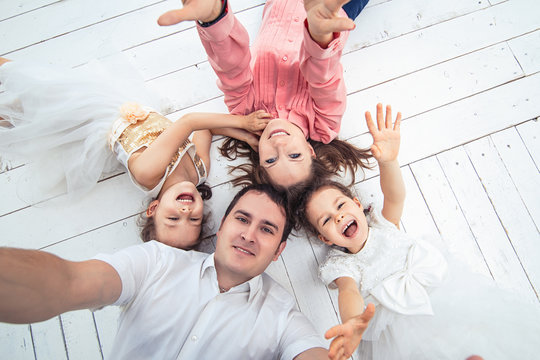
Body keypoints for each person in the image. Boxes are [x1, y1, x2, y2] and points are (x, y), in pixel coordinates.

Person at [296, 104, 540, 359]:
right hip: (401, 331)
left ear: (357, 205)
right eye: (327, 220)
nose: (339, 217)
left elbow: (394, 196)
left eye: (341, 205)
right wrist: (354, 321)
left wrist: (389, 162)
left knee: (484, 340)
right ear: (324, 238)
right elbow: (349, 292)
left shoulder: (383, 225)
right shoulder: (343, 264)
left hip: (446, 300)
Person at [0, 184, 341, 359]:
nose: (249, 235)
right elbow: (69, 282)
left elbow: (309, 353)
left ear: (279, 250)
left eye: (267, 230)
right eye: (242, 219)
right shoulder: (157, 262)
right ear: (221, 227)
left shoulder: (283, 316)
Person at [0, 57, 271, 249]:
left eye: (174, 217)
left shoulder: (148, 175)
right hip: (133, 105)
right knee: (34, 97)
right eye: (193, 217)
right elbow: (206, 131)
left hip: (101, 116)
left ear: (154, 208)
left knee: (37, 101)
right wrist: (245, 136)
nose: (185, 209)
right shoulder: (200, 171)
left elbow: (189, 122)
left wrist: (244, 122)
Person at [158, 0, 372, 189]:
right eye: (294, 155)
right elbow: (324, 77)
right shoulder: (323, 126)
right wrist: (319, 34)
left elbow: (231, 67)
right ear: (310, 151)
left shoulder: (245, 111)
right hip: (333, 12)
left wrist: (213, 20)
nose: (279, 146)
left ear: (259, 156)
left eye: (271, 160)